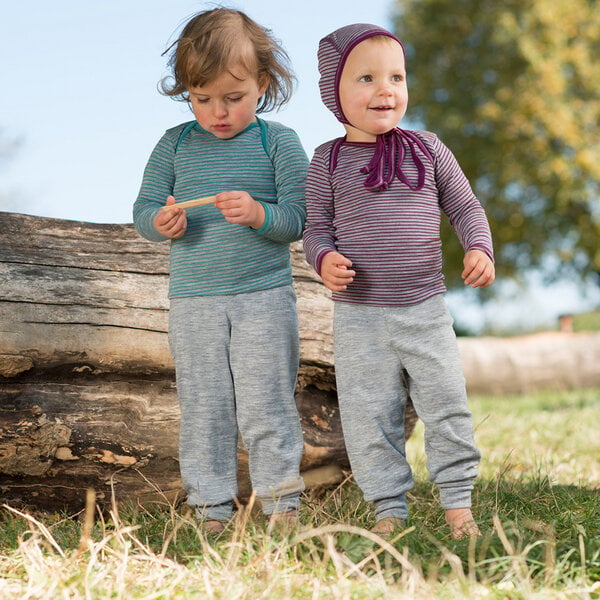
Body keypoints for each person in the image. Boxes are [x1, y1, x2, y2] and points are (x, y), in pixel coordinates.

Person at [303, 23, 495, 538]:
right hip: (359, 317)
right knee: (370, 418)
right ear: (333, 92)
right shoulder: (328, 159)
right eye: (366, 78)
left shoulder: (428, 149)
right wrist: (322, 258)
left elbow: (465, 207)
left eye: (396, 77)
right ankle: (388, 509)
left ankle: (458, 505)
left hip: (425, 308)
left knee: (446, 403)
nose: (385, 90)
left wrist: (480, 246)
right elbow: (315, 225)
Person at [133, 8, 308, 534]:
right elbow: (143, 211)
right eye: (202, 97)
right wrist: (161, 223)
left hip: (264, 297)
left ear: (263, 83)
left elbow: (298, 219)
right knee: (205, 407)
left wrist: (260, 216)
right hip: (194, 302)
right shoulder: (175, 144)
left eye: (233, 97)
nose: (218, 112)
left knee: (267, 405)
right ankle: (211, 510)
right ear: (185, 89)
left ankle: (281, 509)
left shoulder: (278, 142)